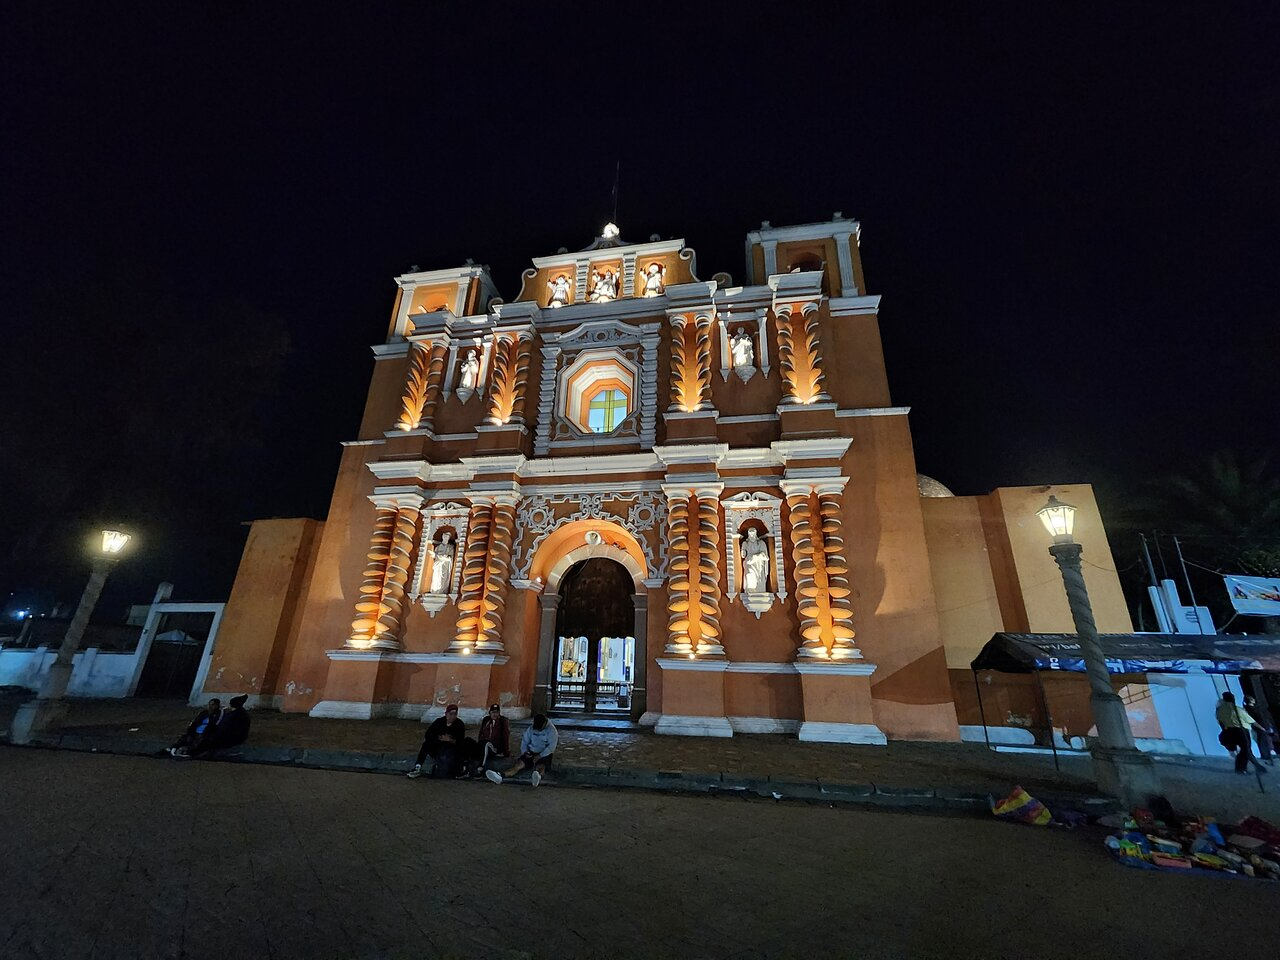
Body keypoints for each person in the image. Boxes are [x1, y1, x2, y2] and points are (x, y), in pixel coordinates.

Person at [486, 713, 557, 787]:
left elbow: (551, 747)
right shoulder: (531, 728)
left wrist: (540, 755)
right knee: (518, 765)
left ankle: (538, 777)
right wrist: (525, 752)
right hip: (531, 752)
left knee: (541, 766)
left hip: (544, 753)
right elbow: (525, 741)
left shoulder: (552, 730)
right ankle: (500, 776)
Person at [408, 704, 466, 779]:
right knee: (426, 744)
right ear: (446, 714)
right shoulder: (439, 722)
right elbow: (428, 734)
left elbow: (460, 741)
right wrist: (439, 738)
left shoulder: (459, 724)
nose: (453, 716)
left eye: (455, 714)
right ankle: (417, 767)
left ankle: (457, 771)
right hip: (437, 746)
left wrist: (450, 740)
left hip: (450, 749)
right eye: (451, 714)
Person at [183, 695, 251, 758]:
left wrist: (213, 735)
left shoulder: (232, 716)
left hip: (233, 738)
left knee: (207, 742)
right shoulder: (241, 714)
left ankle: (191, 753)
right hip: (238, 737)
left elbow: (224, 728)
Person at [1216, 691, 1267, 776]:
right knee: (1246, 749)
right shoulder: (1238, 710)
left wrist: (1225, 730)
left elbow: (1221, 722)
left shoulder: (1220, 710)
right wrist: (1262, 729)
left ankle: (1255, 767)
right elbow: (1252, 721)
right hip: (1242, 731)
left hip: (1230, 731)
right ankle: (1242, 768)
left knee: (1245, 750)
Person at [473, 703, 511, 773]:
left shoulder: (502, 721)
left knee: (486, 744)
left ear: (499, 713)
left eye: (496, 712)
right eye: (493, 712)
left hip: (495, 747)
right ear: (490, 713)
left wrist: (506, 752)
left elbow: (505, 737)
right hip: (484, 744)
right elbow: (481, 733)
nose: (494, 714)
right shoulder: (486, 720)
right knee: (470, 742)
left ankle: (481, 766)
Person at [1244, 695, 1276, 763]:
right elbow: (1257, 718)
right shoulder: (1250, 709)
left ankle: (1268, 754)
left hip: (1262, 725)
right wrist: (1262, 726)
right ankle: (1266, 755)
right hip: (1260, 725)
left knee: (1266, 739)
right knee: (1263, 740)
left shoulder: (1252, 708)